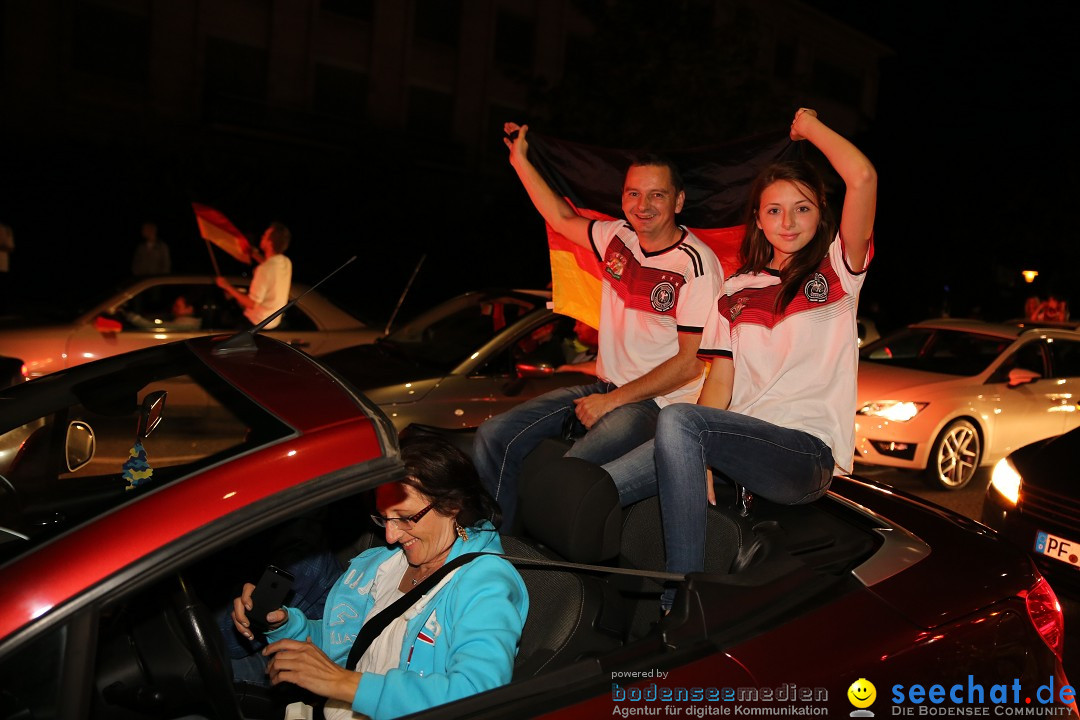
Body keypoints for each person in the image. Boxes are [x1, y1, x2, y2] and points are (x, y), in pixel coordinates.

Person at [603, 108, 877, 611]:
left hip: (805, 456)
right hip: (739, 448)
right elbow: (719, 386)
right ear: (757, 218)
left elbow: (862, 176)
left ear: (822, 215)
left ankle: (682, 599)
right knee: (601, 489)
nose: (787, 222)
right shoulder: (735, 290)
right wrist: (699, 446)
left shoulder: (840, 270)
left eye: (802, 208)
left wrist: (809, 128)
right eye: (773, 210)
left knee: (681, 422)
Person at [473, 122, 723, 529]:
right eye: (633, 194)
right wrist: (520, 160)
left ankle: (534, 565)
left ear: (678, 201)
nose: (643, 205)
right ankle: (494, 548)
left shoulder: (695, 264)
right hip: (606, 386)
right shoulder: (616, 237)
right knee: (493, 437)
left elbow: (689, 365)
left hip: (656, 406)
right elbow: (559, 216)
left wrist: (613, 401)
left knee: (563, 475)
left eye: (656, 195)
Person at [230, 434, 529, 720]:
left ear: (452, 505)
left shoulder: (486, 583)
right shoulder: (382, 565)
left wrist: (345, 684)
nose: (390, 535)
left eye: (405, 517)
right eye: (384, 517)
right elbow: (346, 643)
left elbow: (478, 697)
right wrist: (285, 623)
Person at [216, 221, 292, 329]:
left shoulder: (264, 269)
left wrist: (227, 286)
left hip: (255, 323)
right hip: (273, 323)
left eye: (265, 235)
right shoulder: (286, 262)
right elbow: (270, 266)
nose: (262, 236)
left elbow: (252, 304)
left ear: (269, 243)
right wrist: (254, 254)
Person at [124, 294, 203, 331]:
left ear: (189, 309)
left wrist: (131, 317)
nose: (173, 308)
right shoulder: (185, 321)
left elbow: (152, 326)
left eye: (177, 306)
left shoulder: (187, 324)